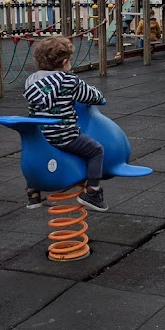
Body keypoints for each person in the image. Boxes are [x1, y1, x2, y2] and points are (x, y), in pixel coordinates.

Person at [23, 36, 108, 211]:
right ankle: (93, 192)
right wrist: (99, 97)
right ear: (65, 61)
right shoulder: (69, 81)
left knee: (32, 154)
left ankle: (33, 193)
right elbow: (92, 96)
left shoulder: (31, 81)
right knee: (96, 150)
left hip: (39, 137)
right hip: (63, 137)